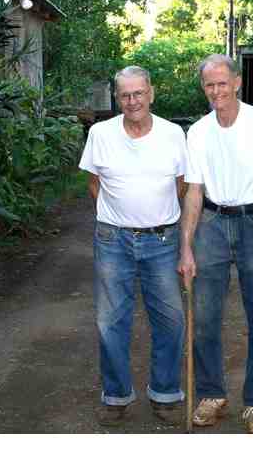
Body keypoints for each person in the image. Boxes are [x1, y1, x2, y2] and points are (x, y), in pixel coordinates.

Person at [178, 54, 253, 434]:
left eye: (222, 83)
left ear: (237, 83)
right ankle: (212, 395)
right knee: (206, 316)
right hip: (212, 223)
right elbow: (194, 191)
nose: (216, 91)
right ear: (204, 89)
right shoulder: (197, 132)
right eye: (209, 85)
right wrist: (186, 246)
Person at [79, 65, 188, 426]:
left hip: (162, 238)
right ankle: (116, 396)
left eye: (138, 93)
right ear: (117, 98)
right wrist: (118, 216)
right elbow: (94, 183)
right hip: (113, 240)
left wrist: (158, 216)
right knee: (111, 322)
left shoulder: (174, 135)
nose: (132, 101)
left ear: (151, 93)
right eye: (125, 95)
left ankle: (166, 394)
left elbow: (183, 185)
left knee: (170, 320)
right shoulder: (100, 133)